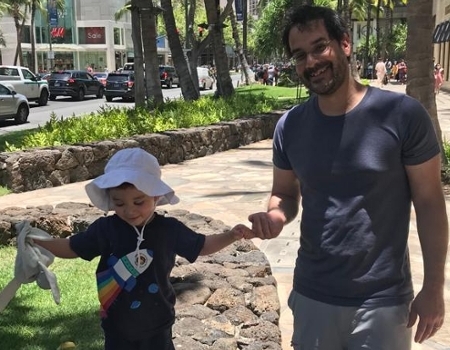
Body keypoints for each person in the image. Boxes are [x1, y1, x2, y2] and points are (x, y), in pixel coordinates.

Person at [247, 5, 448, 350]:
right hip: (313, 294)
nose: (310, 62)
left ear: (344, 44)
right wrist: (275, 215)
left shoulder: (402, 115)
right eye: (299, 55)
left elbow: (429, 202)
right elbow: (284, 194)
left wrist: (433, 289)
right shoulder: (290, 127)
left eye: (319, 47)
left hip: (381, 301)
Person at [33, 148, 252, 350]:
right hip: (116, 325)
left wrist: (230, 236)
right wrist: (40, 242)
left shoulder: (169, 230)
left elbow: (202, 245)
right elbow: (72, 247)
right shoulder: (105, 229)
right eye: (119, 203)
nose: (129, 211)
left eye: (139, 202)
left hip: (158, 325)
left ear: (156, 196)